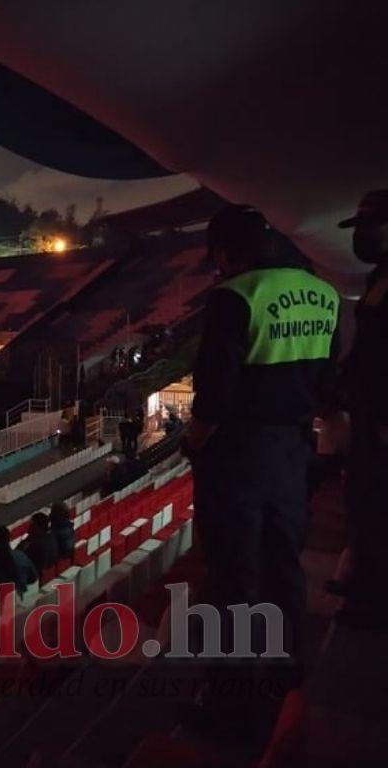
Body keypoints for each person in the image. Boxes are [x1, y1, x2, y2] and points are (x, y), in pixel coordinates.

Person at [184, 205, 339, 699]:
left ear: (225, 253)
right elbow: (328, 383)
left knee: (234, 575)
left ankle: (235, 699)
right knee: (283, 564)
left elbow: (213, 394)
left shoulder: (233, 296)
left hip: (239, 455)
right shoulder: (324, 295)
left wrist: (197, 441)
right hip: (294, 450)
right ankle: (288, 675)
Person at [335, 190, 388, 628]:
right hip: (368, 411)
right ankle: (364, 583)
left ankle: (375, 597)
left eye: (372, 226)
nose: (364, 238)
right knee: (363, 499)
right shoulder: (378, 278)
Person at [0, 526, 38, 596]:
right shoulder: (21, 556)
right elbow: (33, 578)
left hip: (0, 600)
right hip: (21, 595)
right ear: (9, 539)